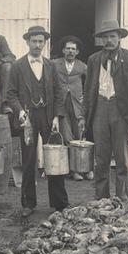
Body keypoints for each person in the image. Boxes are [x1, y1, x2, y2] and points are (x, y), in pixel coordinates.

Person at [79, 20, 128, 205]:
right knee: (100, 158)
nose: (109, 40)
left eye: (112, 36)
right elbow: (87, 90)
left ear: (119, 38)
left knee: (121, 158)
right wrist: (83, 116)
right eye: (105, 37)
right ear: (101, 40)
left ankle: (121, 201)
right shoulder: (93, 60)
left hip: (121, 110)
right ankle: (101, 199)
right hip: (100, 108)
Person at [5, 26, 69, 217]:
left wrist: (57, 116)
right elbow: (10, 94)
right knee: (29, 160)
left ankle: (59, 203)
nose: (38, 45)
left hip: (49, 117)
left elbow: (59, 93)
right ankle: (28, 203)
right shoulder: (17, 66)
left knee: (54, 159)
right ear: (27, 42)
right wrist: (20, 113)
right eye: (34, 41)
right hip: (28, 120)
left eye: (41, 41)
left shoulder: (51, 66)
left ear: (44, 43)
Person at [52, 35, 91, 181]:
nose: (70, 51)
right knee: (67, 136)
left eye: (73, 49)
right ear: (63, 50)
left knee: (80, 135)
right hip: (61, 104)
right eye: (68, 48)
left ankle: (85, 169)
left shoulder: (82, 66)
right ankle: (73, 170)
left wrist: (85, 97)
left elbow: (92, 82)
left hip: (77, 104)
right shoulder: (54, 64)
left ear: (77, 52)